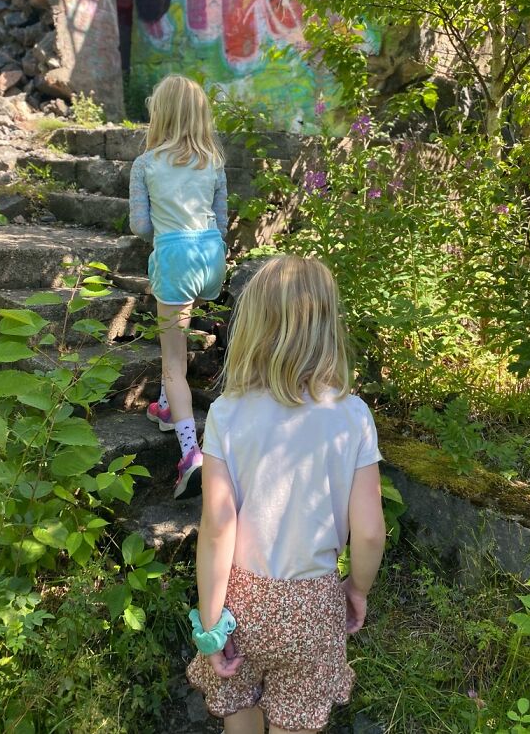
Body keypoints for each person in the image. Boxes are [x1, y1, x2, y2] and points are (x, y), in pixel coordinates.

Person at [187, 256, 386, 733]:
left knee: (239, 712)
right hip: (314, 605)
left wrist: (212, 627)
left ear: (253, 326)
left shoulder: (227, 413)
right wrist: (356, 590)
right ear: (326, 328)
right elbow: (372, 532)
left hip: (242, 602)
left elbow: (217, 527)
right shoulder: (352, 416)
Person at [129, 74, 228, 500]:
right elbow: (222, 221)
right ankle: (170, 407)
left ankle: (191, 454)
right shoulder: (214, 162)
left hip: (175, 258)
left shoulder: (146, 164)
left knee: (171, 358)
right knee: (185, 327)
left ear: (160, 115)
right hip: (212, 258)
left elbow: (140, 226)